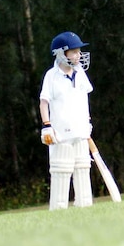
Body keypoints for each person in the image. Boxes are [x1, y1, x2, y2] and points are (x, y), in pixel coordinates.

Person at [39, 31, 95, 210]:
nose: (79, 55)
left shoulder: (80, 73)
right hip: (60, 133)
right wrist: (47, 126)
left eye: (79, 51)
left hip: (80, 131)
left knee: (82, 168)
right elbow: (44, 102)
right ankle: (58, 209)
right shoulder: (51, 76)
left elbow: (83, 98)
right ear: (61, 53)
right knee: (61, 171)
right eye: (74, 51)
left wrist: (86, 121)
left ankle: (85, 207)